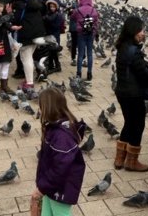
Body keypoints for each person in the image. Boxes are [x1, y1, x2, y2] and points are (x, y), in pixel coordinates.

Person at [113, 16, 148, 172]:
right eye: (141, 30)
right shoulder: (133, 52)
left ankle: (119, 159)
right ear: (133, 31)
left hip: (122, 91)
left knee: (129, 123)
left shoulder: (122, 46)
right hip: (133, 94)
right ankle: (131, 162)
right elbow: (143, 73)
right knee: (137, 125)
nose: (143, 33)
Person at [35, 87, 87, 216]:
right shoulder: (56, 127)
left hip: (60, 188)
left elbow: (60, 168)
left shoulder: (61, 137)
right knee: (46, 213)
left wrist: (42, 188)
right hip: (51, 186)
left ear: (47, 108)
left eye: (40, 106)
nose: (39, 110)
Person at [15, 0, 47, 88]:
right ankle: (29, 78)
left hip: (26, 35)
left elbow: (17, 20)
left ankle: (29, 82)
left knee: (26, 58)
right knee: (29, 57)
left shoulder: (22, 6)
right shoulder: (36, 6)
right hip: (38, 34)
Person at [70, 0, 99, 81]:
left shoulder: (78, 10)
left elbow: (72, 17)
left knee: (80, 54)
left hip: (81, 34)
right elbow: (96, 21)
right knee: (90, 54)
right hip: (90, 34)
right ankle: (89, 73)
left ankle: (79, 73)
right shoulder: (93, 10)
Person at [42, 0, 65, 74]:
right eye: (50, 6)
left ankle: (56, 66)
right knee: (51, 51)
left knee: (53, 50)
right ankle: (52, 65)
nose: (52, 8)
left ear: (56, 7)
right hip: (50, 35)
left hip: (54, 35)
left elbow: (54, 24)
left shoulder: (58, 15)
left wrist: (45, 19)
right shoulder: (49, 13)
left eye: (53, 7)